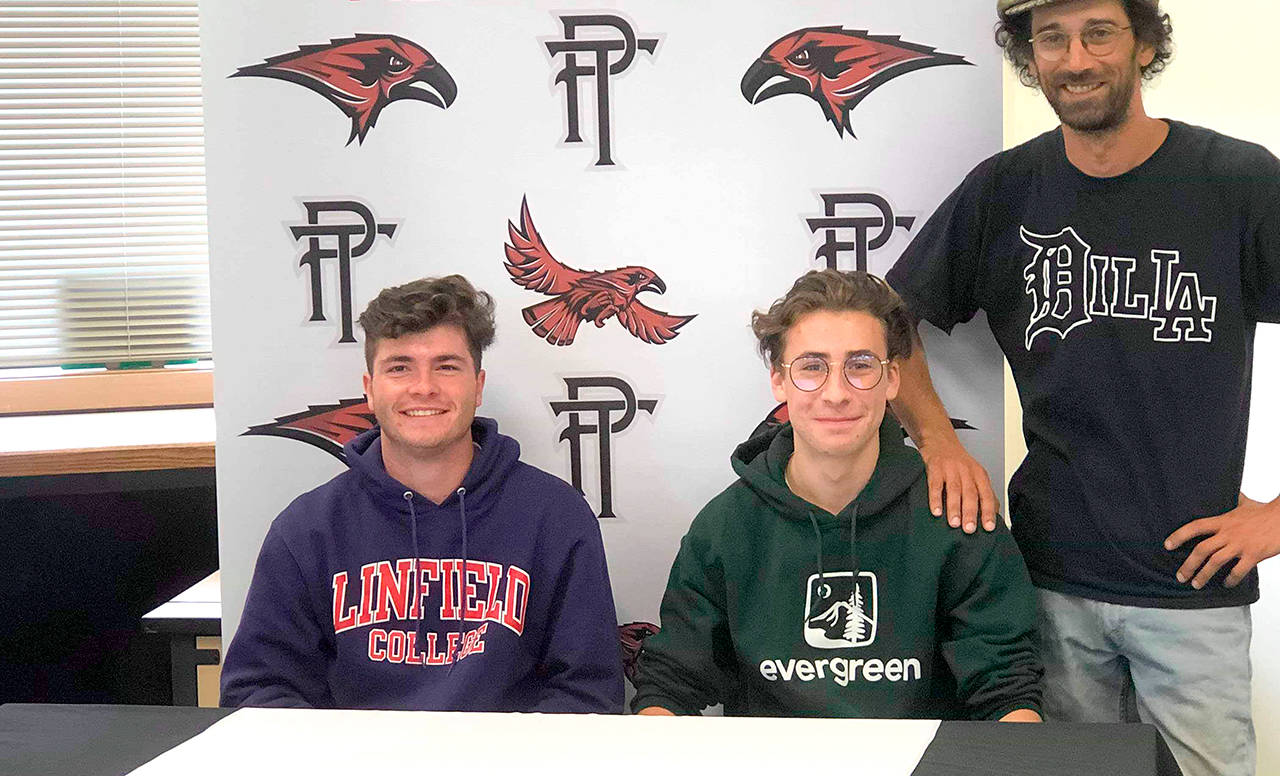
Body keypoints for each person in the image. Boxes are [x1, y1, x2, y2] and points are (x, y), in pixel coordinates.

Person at [886, 0, 1280, 776]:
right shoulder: (1005, 190)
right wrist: (939, 442)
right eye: (1051, 39)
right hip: (1049, 576)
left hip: (1193, 586)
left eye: (1099, 32)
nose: (1075, 59)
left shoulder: (1238, 182)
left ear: (1145, 44)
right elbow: (889, 320)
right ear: (1030, 59)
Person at [631, 269, 1042, 720]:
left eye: (860, 366)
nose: (836, 393)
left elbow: (1008, 692)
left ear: (892, 380)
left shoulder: (956, 512)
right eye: (811, 367)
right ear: (778, 381)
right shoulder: (725, 526)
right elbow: (669, 686)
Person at [220, 275, 625, 712]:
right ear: (370, 390)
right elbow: (259, 690)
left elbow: (587, 692)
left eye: (446, 366)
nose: (423, 387)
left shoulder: (555, 516)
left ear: (478, 385)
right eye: (399, 367)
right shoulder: (307, 528)